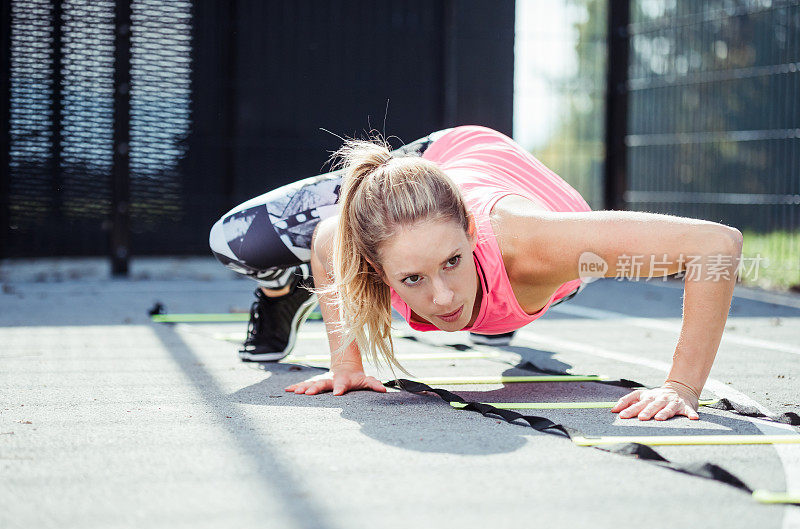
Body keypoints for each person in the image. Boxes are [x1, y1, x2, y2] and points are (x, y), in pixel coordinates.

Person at [209, 125, 743, 422]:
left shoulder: (538, 248)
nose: (442, 298)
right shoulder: (348, 248)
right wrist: (344, 362)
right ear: (372, 268)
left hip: (476, 166)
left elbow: (716, 245)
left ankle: (482, 281)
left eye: (452, 263)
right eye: (412, 279)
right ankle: (283, 290)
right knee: (232, 243)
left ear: (468, 234)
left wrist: (681, 386)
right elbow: (328, 250)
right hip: (426, 171)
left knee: (490, 296)